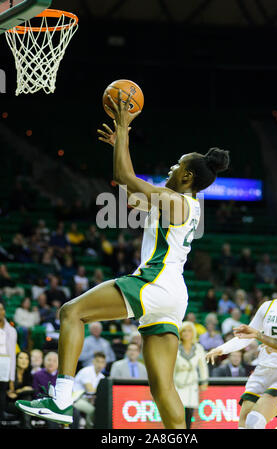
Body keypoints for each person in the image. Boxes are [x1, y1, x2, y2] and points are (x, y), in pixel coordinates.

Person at [15, 88, 229, 428]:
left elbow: (127, 177)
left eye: (177, 165)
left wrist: (125, 128)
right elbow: (128, 191)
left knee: (71, 312)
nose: (172, 167)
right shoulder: (179, 203)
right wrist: (120, 144)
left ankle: (59, 400)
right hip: (173, 296)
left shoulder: (175, 200)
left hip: (154, 282)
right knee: (162, 387)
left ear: (187, 176)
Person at [206, 261, 277, 429]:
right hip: (262, 370)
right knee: (244, 425)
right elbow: (248, 336)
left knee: (254, 421)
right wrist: (222, 349)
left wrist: (269, 341)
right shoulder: (268, 306)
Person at [174, 321, 208, 429]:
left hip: (191, 383)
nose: (186, 333)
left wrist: (204, 381)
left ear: (193, 333)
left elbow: (203, 367)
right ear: (180, 333)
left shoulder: (198, 348)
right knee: (177, 413)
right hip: (178, 382)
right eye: (184, 331)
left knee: (189, 413)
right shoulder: (175, 347)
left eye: (189, 331)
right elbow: (171, 367)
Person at [73, 351, 106, 428]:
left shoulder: (102, 377)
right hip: (75, 399)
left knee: (103, 409)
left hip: (89, 399)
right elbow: (90, 390)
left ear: (105, 364)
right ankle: (89, 427)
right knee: (92, 410)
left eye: (102, 362)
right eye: (98, 361)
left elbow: (98, 393)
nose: (100, 364)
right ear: (93, 361)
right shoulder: (86, 371)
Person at [5, 351, 33, 428]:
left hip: (22, 403)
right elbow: (8, 394)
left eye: (26, 358)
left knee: (27, 398)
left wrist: (18, 392)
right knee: (26, 401)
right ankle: (27, 426)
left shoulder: (29, 374)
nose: (24, 361)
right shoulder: (9, 372)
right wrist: (22, 390)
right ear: (16, 360)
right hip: (9, 403)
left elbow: (31, 389)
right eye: (21, 358)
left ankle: (26, 425)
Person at [0, 301, 17, 424]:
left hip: (5, 362)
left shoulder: (11, 330)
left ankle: (1, 414)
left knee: (2, 391)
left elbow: (12, 355)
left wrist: (12, 378)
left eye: (1, 309)